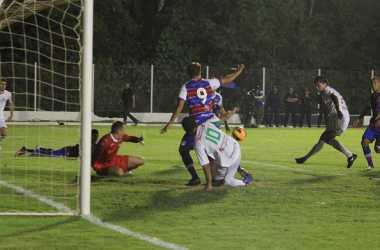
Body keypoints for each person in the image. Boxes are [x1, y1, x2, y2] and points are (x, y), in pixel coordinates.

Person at [160, 62, 245, 186]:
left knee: (184, 149)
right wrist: (238, 72)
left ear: (188, 74)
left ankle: (196, 178)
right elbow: (227, 79)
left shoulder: (186, 87)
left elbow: (180, 105)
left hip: (197, 126)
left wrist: (169, 123)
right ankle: (233, 168)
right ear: (200, 73)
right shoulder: (209, 83)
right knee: (214, 148)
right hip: (212, 121)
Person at [295, 76, 357, 168]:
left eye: (318, 85)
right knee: (323, 138)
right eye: (316, 85)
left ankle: (350, 155)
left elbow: (335, 98)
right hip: (337, 115)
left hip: (337, 115)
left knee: (329, 138)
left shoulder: (327, 91)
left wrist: (339, 111)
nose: (317, 88)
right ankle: (305, 158)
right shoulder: (330, 90)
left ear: (325, 84)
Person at [181, 116, 252, 190]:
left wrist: (209, 184)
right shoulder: (206, 124)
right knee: (210, 156)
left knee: (226, 182)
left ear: (185, 130)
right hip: (235, 147)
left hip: (230, 159)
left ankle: (245, 182)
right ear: (195, 122)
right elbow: (220, 119)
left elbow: (205, 164)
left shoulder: (198, 144)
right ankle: (236, 166)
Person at [352, 76, 380, 170]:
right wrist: (359, 118)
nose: (373, 85)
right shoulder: (372, 97)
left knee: (378, 150)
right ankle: (371, 165)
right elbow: (368, 108)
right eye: (372, 83)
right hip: (373, 125)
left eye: (375, 83)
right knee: (364, 142)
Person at [14, 129, 99, 157]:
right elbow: (78, 151)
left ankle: (40, 148)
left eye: (96, 136)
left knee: (52, 151)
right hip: (67, 151)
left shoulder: (95, 145)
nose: (96, 138)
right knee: (51, 155)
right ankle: (26, 150)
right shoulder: (84, 142)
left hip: (67, 151)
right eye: (94, 136)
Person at [0, 79, 14, 152]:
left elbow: (10, 103)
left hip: (0, 116)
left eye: (4, 84)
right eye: (2, 84)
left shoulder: (8, 94)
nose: (3, 86)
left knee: (4, 134)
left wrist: (11, 115)